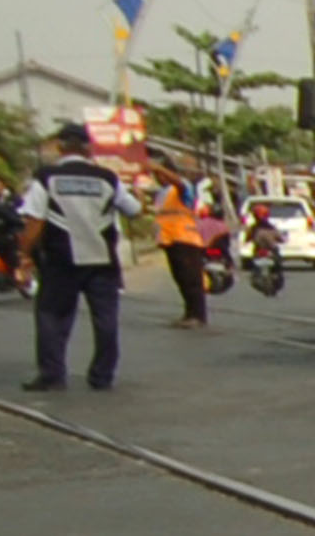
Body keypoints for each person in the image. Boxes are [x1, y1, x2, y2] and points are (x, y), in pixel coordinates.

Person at [16, 123, 137, 390]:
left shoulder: (46, 177)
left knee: (52, 317)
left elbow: (34, 221)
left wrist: (25, 255)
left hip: (61, 260)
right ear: (88, 148)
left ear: (60, 147)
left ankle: (52, 374)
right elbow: (133, 209)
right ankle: (102, 376)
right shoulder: (107, 178)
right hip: (102, 260)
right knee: (105, 319)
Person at [153, 173, 212, 326]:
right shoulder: (163, 193)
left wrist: (158, 167)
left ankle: (198, 316)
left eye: (160, 174)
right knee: (181, 279)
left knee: (191, 279)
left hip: (186, 239)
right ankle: (189, 313)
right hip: (170, 239)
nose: (158, 177)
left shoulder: (182, 187)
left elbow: (179, 183)